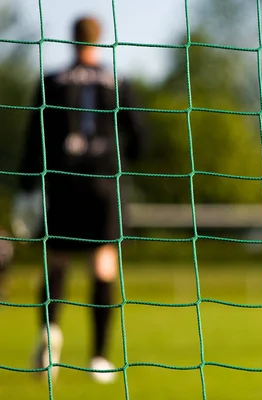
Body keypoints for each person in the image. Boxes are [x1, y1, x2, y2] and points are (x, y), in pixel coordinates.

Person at [13, 16, 147, 383]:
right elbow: (139, 137)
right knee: (103, 263)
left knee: (56, 262)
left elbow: (32, 139)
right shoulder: (118, 82)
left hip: (62, 182)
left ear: (71, 39)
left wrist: (25, 188)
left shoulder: (51, 82)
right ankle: (100, 357)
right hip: (104, 183)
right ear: (100, 39)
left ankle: (50, 329)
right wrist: (122, 158)